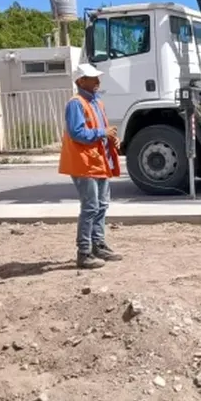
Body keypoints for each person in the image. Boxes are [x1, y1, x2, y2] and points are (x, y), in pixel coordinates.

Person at [58, 63, 124, 268]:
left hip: (98, 160)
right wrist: (102, 133)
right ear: (80, 81)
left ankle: (98, 245)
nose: (98, 81)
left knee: (101, 206)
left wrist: (111, 138)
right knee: (90, 207)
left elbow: (100, 128)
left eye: (97, 78)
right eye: (93, 78)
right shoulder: (76, 103)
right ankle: (84, 252)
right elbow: (77, 133)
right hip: (84, 162)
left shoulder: (97, 103)